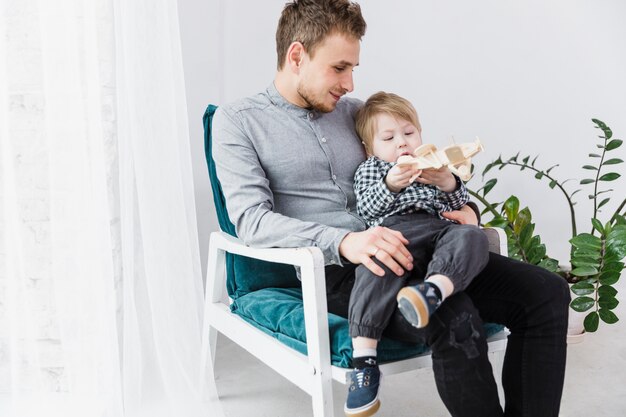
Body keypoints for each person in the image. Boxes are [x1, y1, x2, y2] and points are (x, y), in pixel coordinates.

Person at [212, 1, 570, 416]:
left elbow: (418, 164)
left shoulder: (356, 113)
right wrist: (347, 241)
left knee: (547, 293)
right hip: (346, 272)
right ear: (297, 55)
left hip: (424, 248)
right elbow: (251, 221)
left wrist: (464, 207)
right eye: (339, 67)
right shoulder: (237, 121)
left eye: (353, 69)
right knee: (454, 316)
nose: (348, 83)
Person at [342, 90, 491, 415]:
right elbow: (366, 208)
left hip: (437, 231)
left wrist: (448, 182)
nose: (402, 143)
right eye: (389, 137)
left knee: (472, 236)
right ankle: (364, 359)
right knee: (373, 266)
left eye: (409, 133)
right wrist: (390, 183)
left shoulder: (433, 167)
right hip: (393, 232)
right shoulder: (371, 169)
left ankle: (433, 290)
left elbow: (455, 205)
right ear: (370, 148)